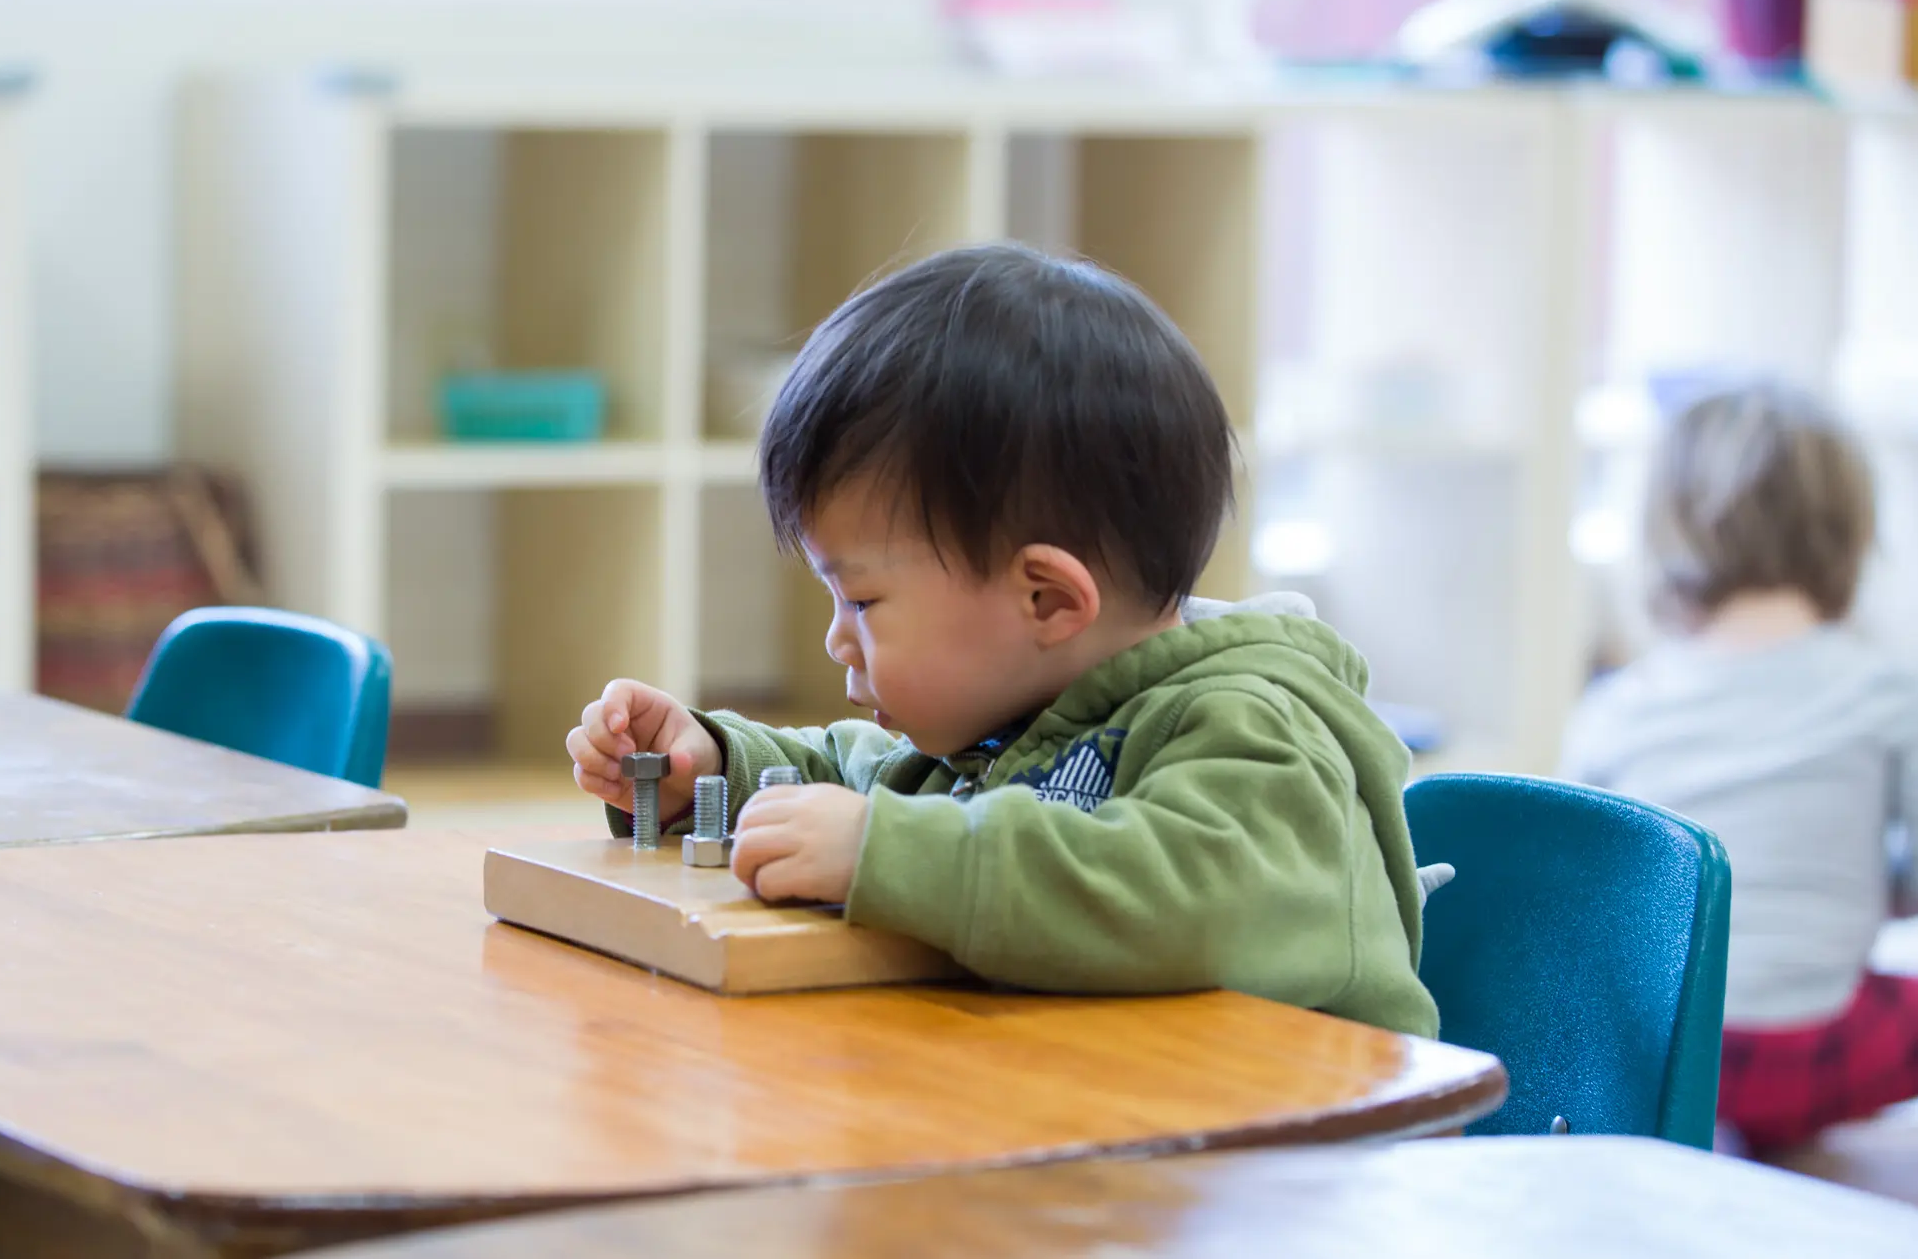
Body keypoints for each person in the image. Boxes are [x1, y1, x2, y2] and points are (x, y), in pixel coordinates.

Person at [566, 243, 1437, 1037]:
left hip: (1303, 1183)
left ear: (1047, 600)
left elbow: (1180, 899)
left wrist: (885, 852)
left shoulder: (1255, 730)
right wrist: (714, 767)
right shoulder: (1020, 713)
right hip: (1126, 1158)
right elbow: (870, 780)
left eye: (862, 600)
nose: (839, 640)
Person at [1561, 380, 1918, 1154]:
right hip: (1818, 1051)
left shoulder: (1617, 707)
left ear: (1668, 530)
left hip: (1664, 1061)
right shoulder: (1886, 692)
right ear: (1848, 532)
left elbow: (1581, 900)